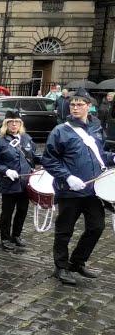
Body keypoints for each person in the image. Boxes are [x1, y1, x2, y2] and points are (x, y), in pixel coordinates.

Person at [41, 90, 115, 285]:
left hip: (93, 190)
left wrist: (112, 158)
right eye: (72, 104)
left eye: (79, 104)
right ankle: (61, 267)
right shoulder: (60, 131)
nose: (75, 108)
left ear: (88, 106)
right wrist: (68, 177)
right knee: (64, 231)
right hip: (70, 190)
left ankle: (77, 262)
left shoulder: (96, 127)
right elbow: (49, 160)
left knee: (96, 227)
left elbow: (99, 155)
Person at [0, 111, 42, 251]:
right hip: (9, 183)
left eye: (17, 122)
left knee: (22, 210)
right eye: (11, 122)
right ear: (6, 124)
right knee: (7, 212)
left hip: (25, 182)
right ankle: (5, 239)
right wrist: (5, 170)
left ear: (21, 124)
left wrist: (48, 162)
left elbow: (34, 156)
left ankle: (16, 235)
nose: (14, 124)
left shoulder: (26, 138)